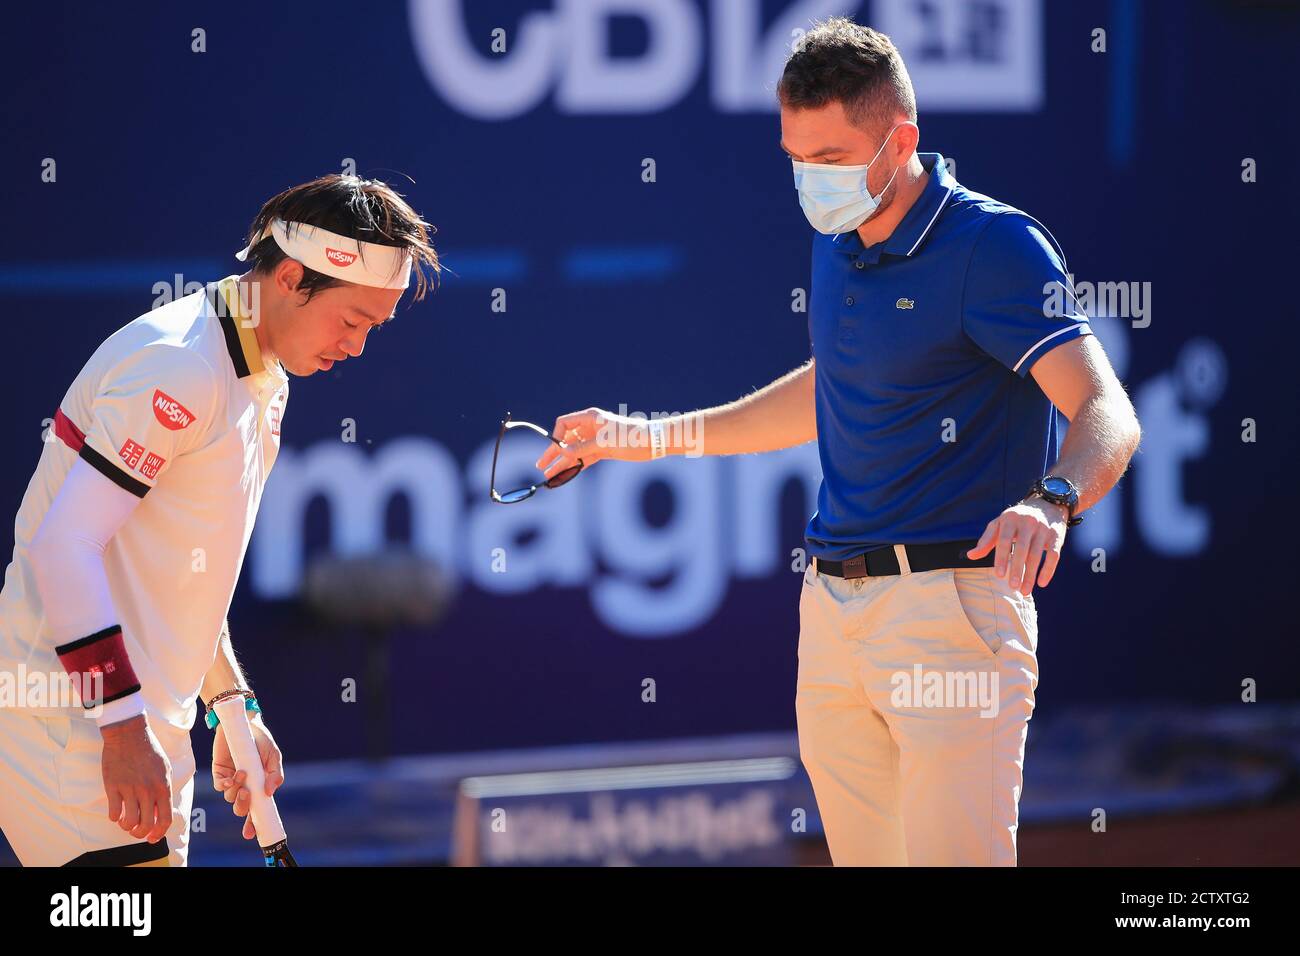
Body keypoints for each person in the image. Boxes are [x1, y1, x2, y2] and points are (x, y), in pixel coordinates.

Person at [535, 18, 1141, 866]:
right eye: (795, 158)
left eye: (829, 158)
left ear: (902, 141)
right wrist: (644, 437)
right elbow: (835, 386)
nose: (810, 180)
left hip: (952, 612)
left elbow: (1107, 409)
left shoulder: (995, 247)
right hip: (831, 613)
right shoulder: (837, 238)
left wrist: (1054, 498)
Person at [0, 174, 439, 866]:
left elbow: (185, 575)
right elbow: (63, 547)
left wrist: (234, 713)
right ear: (292, 278)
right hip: (72, 731)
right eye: (352, 322)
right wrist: (118, 726)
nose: (356, 348)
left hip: (139, 731)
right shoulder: (179, 367)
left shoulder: (265, 379)